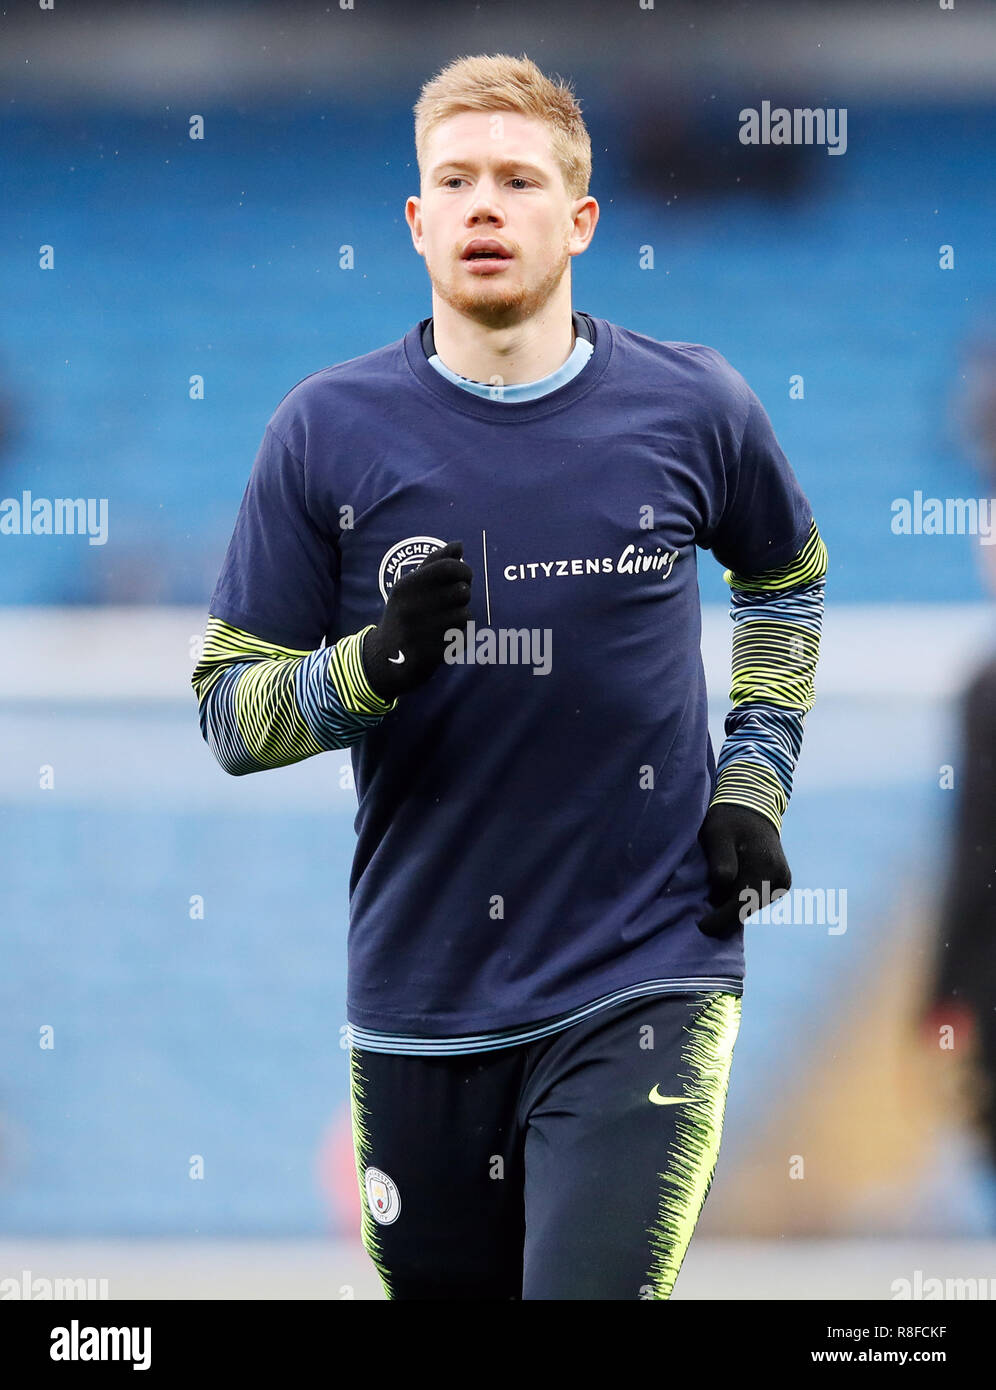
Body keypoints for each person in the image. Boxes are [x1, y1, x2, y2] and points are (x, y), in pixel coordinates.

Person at [191, 53, 828, 1300]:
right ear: (418, 221)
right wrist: (369, 667)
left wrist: (752, 783)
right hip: (420, 1001)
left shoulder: (695, 406)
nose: (486, 205)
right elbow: (229, 714)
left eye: (519, 181)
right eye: (457, 180)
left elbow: (786, 579)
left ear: (580, 219)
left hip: (646, 972)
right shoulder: (323, 432)